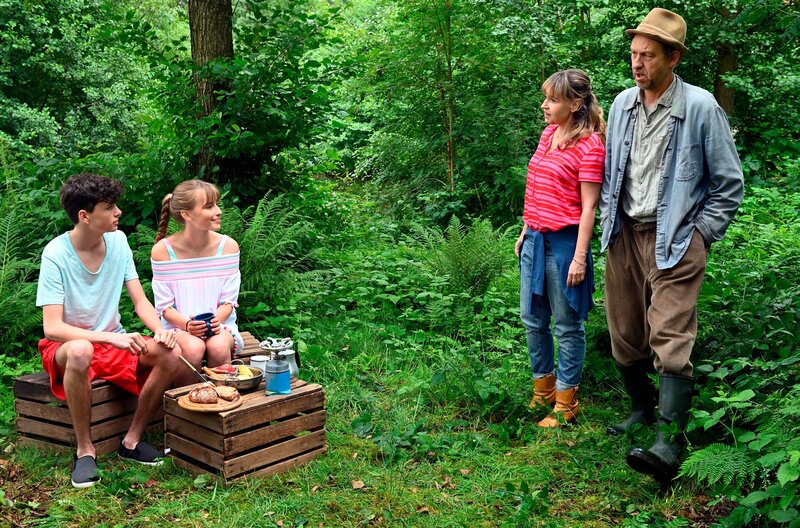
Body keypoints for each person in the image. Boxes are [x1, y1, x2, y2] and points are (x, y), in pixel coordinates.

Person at [599, 8, 744, 483]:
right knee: (624, 333)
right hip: (624, 234)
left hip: (676, 237)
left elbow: (729, 184)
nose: (637, 63)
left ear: (674, 57)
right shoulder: (621, 104)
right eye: (634, 54)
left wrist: (700, 234)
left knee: (669, 333)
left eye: (648, 55)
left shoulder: (700, 106)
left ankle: (668, 443)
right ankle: (641, 409)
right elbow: (609, 174)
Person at [36, 173, 180, 488]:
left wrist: (159, 331)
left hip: (111, 342)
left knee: (172, 353)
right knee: (80, 349)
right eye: (109, 207)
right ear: (85, 216)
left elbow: (141, 301)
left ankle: (131, 441)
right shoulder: (56, 254)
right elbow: (53, 328)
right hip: (69, 346)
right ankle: (85, 451)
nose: (118, 213)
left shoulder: (118, 241)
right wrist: (109, 337)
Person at [515, 69, 606, 428]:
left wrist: (580, 257)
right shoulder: (548, 133)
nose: (545, 105)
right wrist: (525, 229)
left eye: (552, 99)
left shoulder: (590, 146)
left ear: (575, 102)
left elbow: (589, 208)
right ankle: (544, 392)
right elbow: (536, 186)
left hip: (566, 244)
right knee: (532, 320)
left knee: (567, 326)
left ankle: (567, 402)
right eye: (546, 98)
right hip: (535, 239)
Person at [151, 180, 243, 387]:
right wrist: (187, 325)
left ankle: (224, 406)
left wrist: (213, 323)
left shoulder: (227, 247)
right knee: (192, 348)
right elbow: (164, 307)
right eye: (209, 207)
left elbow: (229, 302)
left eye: (217, 205)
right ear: (186, 215)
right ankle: (185, 407)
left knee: (219, 347)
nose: (218, 211)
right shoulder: (163, 251)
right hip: (179, 327)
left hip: (221, 325)